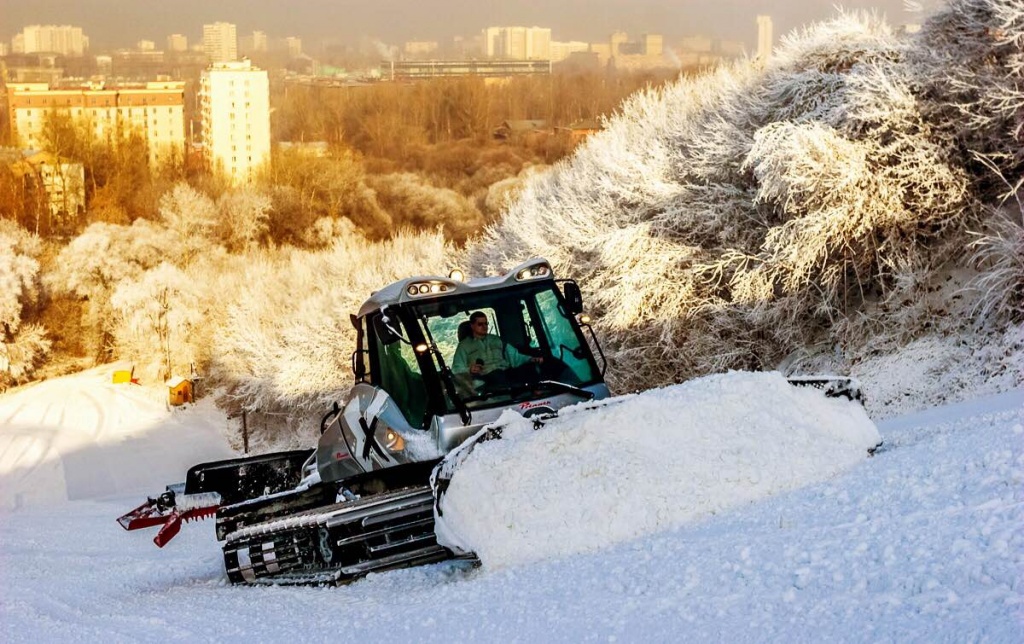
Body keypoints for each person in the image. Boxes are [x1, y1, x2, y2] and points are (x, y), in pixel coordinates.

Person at [452, 311, 543, 391]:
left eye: (486, 323)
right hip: (484, 377)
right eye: (480, 324)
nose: (484, 327)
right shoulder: (463, 346)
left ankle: (538, 397)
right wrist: (470, 369)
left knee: (530, 369)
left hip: (505, 372)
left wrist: (531, 359)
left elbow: (515, 357)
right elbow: (456, 369)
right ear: (472, 326)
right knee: (494, 379)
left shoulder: (497, 339)